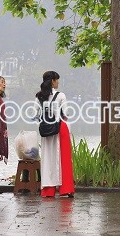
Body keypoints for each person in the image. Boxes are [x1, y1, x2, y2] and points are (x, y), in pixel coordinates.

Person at [37, 70, 75, 198]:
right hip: (60, 128)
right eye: (56, 79)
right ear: (52, 81)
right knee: (63, 159)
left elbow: (36, 115)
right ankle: (66, 189)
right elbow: (66, 113)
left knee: (48, 158)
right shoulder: (60, 96)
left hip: (46, 129)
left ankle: (48, 190)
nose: (58, 82)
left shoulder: (39, 97)